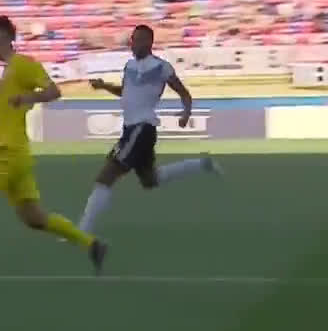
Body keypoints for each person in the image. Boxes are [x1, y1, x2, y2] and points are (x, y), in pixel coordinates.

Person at [0, 16, 104, 284]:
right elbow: (7, 107)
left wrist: (28, 97)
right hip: (19, 154)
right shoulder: (8, 71)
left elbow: (54, 91)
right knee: (34, 218)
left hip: (7, 152)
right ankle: (91, 244)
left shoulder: (23, 65)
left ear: (1, 38)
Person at [77, 25, 221, 240]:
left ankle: (82, 230)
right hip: (131, 128)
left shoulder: (161, 67)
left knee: (106, 176)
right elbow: (125, 92)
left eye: (137, 40)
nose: (132, 44)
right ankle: (201, 164)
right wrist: (104, 86)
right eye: (132, 40)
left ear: (148, 42)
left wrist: (186, 113)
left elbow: (184, 93)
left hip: (142, 127)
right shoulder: (129, 65)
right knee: (150, 180)